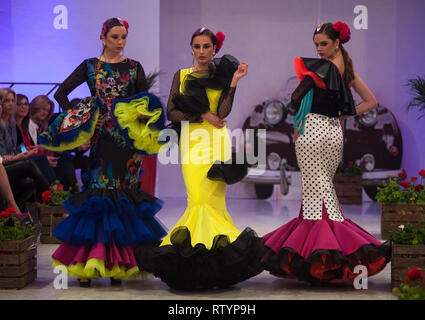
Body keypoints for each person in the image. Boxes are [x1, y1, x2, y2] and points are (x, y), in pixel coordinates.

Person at [38, 17, 167, 287]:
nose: (120, 43)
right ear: (103, 37)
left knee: (123, 199)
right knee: (99, 198)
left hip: (127, 145)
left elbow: (144, 103)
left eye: (123, 38)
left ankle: (118, 267)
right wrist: (83, 120)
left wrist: (142, 127)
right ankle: (91, 266)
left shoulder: (134, 68)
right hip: (100, 142)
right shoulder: (90, 67)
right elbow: (61, 93)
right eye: (115, 37)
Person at [260, 22, 391, 285]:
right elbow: (371, 102)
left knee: (316, 194)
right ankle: (325, 257)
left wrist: (303, 102)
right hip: (334, 133)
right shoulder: (347, 70)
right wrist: (341, 113)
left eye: (324, 44)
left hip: (313, 131)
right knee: (322, 193)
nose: (319, 49)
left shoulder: (323, 68)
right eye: (316, 44)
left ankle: (327, 258)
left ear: (337, 42)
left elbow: (295, 98)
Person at [135, 28, 264, 291]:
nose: (202, 51)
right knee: (197, 199)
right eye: (197, 46)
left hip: (217, 142)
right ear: (191, 48)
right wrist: (202, 116)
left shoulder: (222, 74)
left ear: (215, 49)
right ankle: (202, 263)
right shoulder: (181, 76)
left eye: (207, 46)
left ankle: (211, 265)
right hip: (192, 142)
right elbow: (172, 111)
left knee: (214, 202)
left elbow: (224, 110)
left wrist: (235, 81)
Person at [0, 89, 51, 209]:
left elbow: (17, 148)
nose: (11, 104)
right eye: (7, 101)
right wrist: (21, 155)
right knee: (31, 164)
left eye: (13, 100)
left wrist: (25, 151)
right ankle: (53, 197)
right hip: (3, 166)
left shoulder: (12, 123)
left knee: (30, 182)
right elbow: (3, 157)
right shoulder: (2, 124)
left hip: (12, 161)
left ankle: (12, 215)